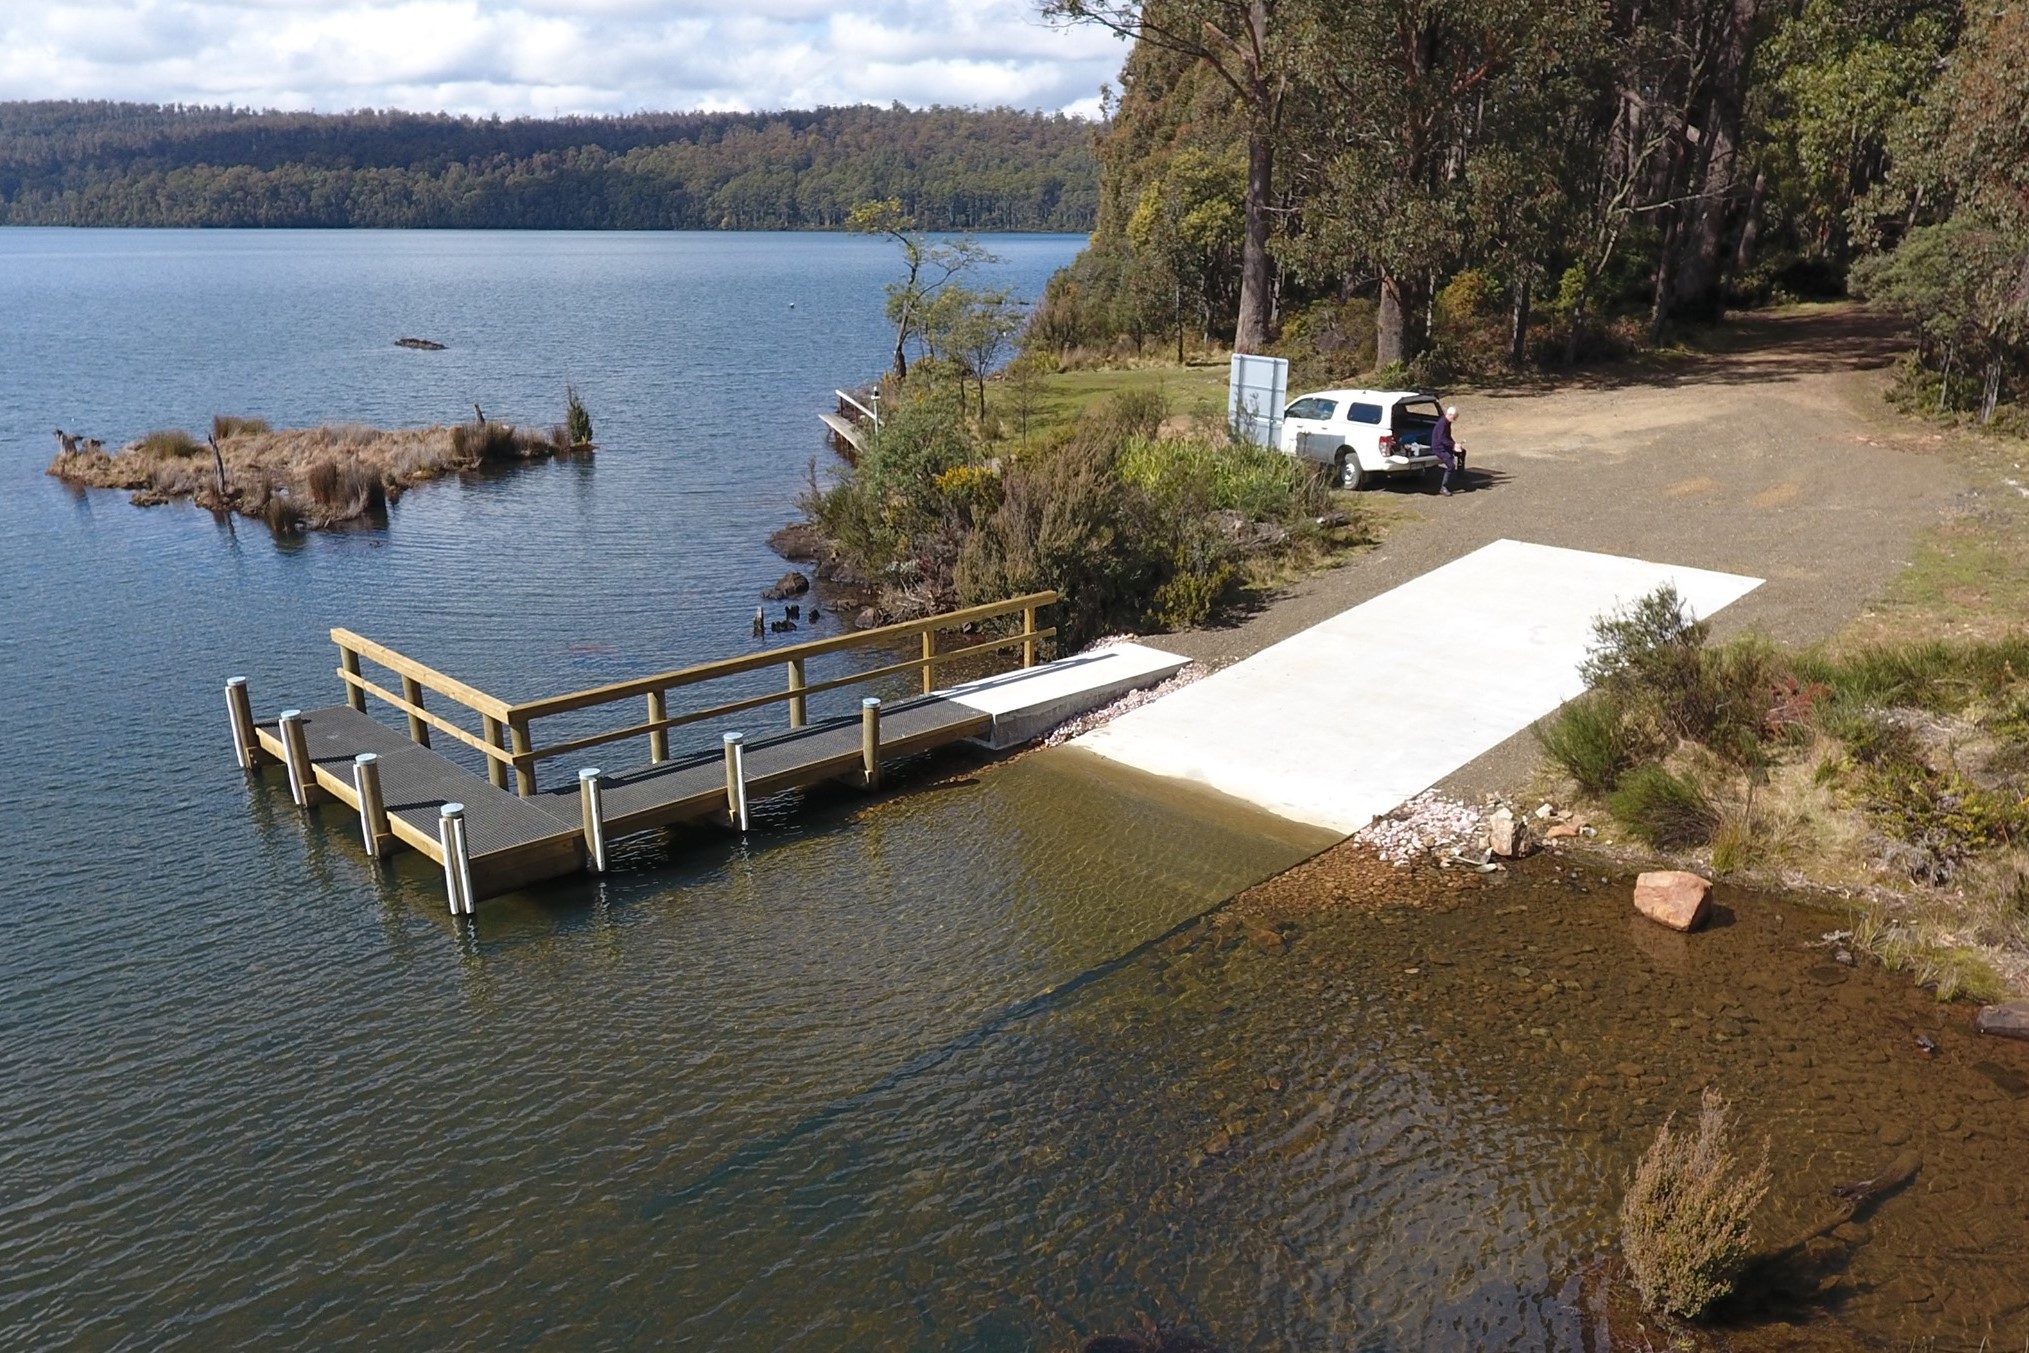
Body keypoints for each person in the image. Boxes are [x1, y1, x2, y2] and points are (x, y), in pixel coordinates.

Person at [1430, 405, 1463, 495]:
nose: (1455, 419)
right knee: (1451, 466)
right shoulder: (1442, 424)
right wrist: (1453, 445)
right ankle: (1443, 487)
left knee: (1462, 453)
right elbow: (1442, 439)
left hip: (1444, 447)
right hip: (1439, 448)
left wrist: (1455, 444)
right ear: (1450, 415)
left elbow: (1447, 437)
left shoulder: (1447, 423)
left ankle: (1460, 476)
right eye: (1454, 417)